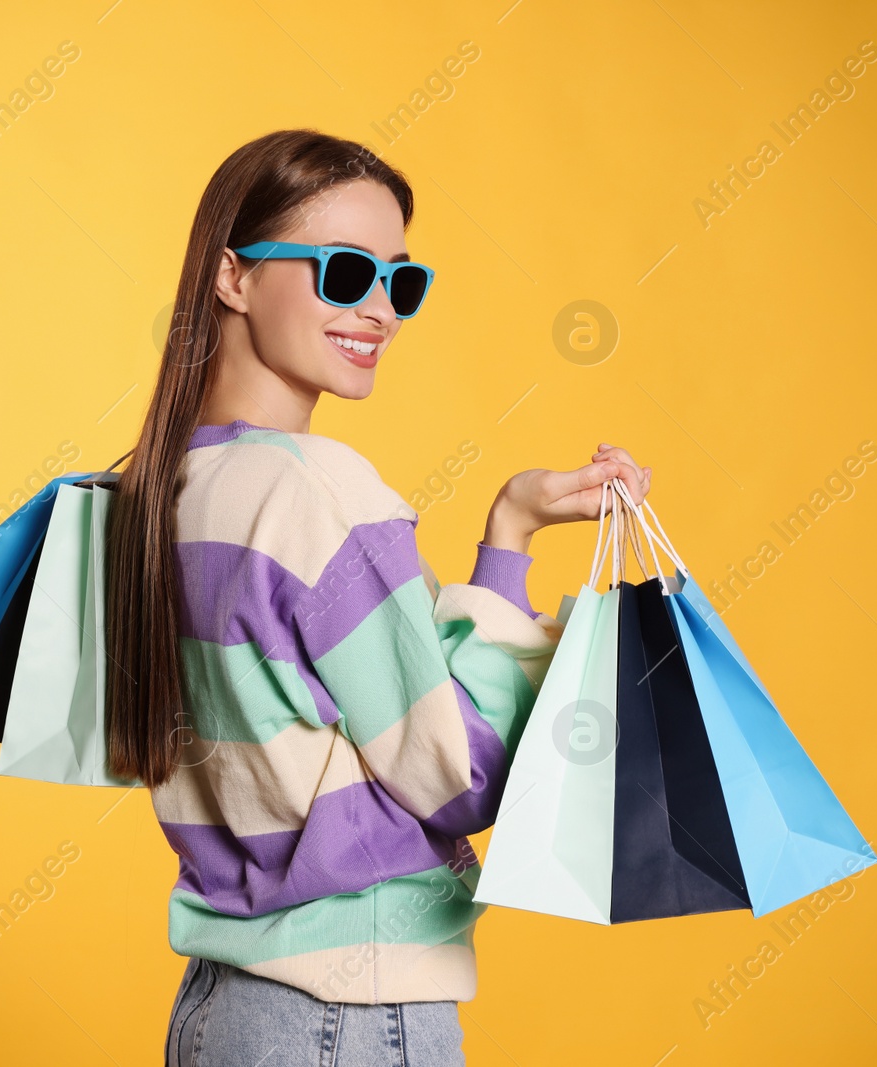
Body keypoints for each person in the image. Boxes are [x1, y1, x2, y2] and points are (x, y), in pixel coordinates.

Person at [98, 128, 650, 1066]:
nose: (381, 310)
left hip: (219, 1011)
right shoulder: (319, 491)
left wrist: (508, 524)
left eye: (399, 281)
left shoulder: (151, 496)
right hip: (348, 1014)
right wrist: (508, 547)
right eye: (344, 273)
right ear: (232, 277)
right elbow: (457, 770)